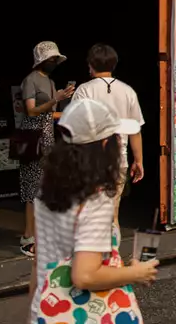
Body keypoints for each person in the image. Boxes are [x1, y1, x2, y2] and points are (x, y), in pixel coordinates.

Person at [28, 96, 156, 323]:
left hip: (49, 311)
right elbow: (85, 275)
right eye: (116, 137)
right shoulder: (95, 201)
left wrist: (34, 311)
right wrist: (136, 273)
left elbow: (39, 262)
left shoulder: (47, 193)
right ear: (105, 144)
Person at [70, 44, 145, 231]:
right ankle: (113, 258)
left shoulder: (84, 90)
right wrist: (139, 160)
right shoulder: (127, 91)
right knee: (112, 217)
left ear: (90, 65)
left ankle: (92, 259)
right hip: (118, 160)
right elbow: (135, 129)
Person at [19, 40, 74, 256]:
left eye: (55, 60)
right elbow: (31, 111)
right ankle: (27, 238)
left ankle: (43, 236)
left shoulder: (49, 82)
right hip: (33, 140)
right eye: (51, 59)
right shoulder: (30, 81)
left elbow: (50, 113)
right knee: (32, 191)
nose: (54, 62)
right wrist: (56, 99)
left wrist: (69, 105)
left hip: (48, 138)